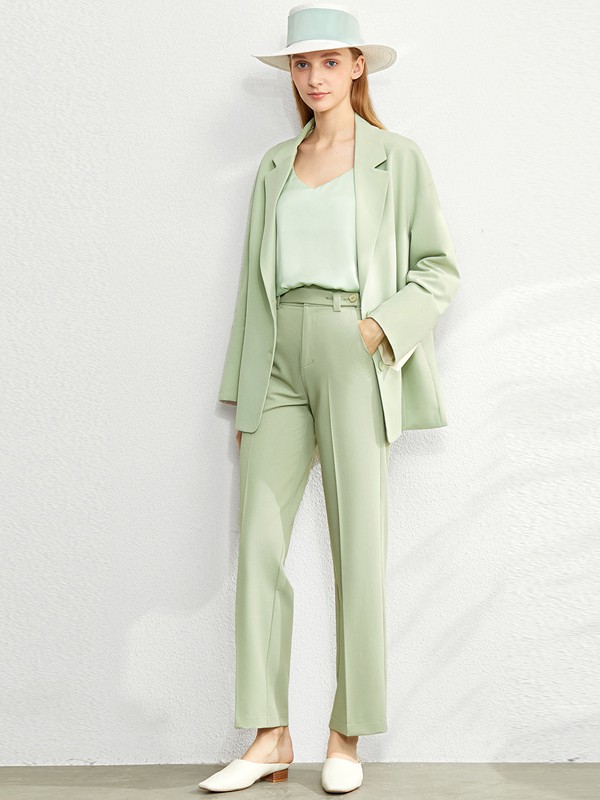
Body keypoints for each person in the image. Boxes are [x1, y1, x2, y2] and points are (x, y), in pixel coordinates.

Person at [199, 3, 460, 794]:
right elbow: (252, 284)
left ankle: (347, 736)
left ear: (357, 66)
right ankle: (269, 736)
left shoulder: (396, 159)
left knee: (358, 547)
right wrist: (244, 389)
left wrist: (380, 329)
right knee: (258, 543)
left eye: (329, 62)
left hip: (355, 347)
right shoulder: (275, 164)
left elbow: (438, 268)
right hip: (277, 355)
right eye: (301, 64)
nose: (314, 77)